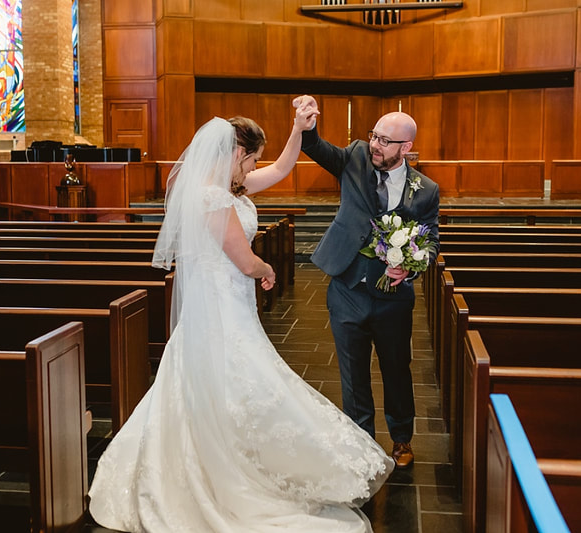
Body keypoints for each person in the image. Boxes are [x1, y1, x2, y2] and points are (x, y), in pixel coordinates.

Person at [88, 104, 394, 532]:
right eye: (251, 159)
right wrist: (267, 270)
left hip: (229, 304)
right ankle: (226, 466)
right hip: (219, 310)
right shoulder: (213, 196)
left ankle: (240, 449)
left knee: (229, 383)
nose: (252, 169)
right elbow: (244, 260)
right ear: (236, 155)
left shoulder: (226, 186)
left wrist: (298, 129)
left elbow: (284, 167)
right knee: (240, 379)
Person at [296, 95, 440, 469]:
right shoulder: (356, 156)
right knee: (353, 372)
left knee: (396, 368)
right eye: (374, 136)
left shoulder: (425, 189)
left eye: (385, 140)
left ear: (406, 147)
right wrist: (307, 126)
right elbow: (317, 148)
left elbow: (432, 239)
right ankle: (361, 442)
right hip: (346, 288)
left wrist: (411, 267)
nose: (376, 144)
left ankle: (402, 438)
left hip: (393, 296)